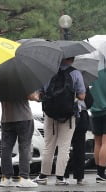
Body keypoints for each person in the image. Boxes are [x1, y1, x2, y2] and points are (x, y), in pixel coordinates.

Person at [34, 57, 86, 185]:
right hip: (69, 116)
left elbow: (40, 93)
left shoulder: (47, 72)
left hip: (50, 115)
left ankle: (43, 175)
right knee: (64, 146)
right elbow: (82, 96)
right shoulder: (75, 73)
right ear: (72, 59)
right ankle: (60, 177)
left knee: (48, 145)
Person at [0, 93, 40, 188]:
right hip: (24, 117)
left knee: (6, 148)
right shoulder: (21, 79)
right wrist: (37, 96)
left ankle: (6, 178)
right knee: (25, 147)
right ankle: (24, 178)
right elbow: (31, 96)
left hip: (6, 118)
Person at [64, 95, 91, 184]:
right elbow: (89, 101)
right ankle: (79, 177)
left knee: (64, 146)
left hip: (64, 114)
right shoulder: (81, 81)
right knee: (79, 148)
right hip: (80, 115)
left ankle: (63, 175)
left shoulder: (60, 80)